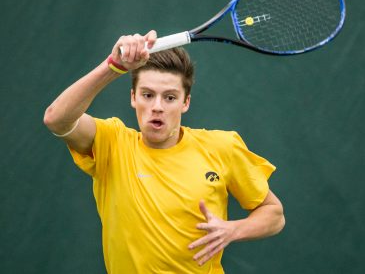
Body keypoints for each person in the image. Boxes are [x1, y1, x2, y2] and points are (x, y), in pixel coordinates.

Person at [43, 30, 285, 274]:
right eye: (147, 95)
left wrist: (233, 230)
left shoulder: (222, 147)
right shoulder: (111, 143)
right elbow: (56, 119)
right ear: (133, 97)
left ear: (185, 102)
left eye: (170, 97)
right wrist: (113, 66)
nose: (157, 107)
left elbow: (274, 214)